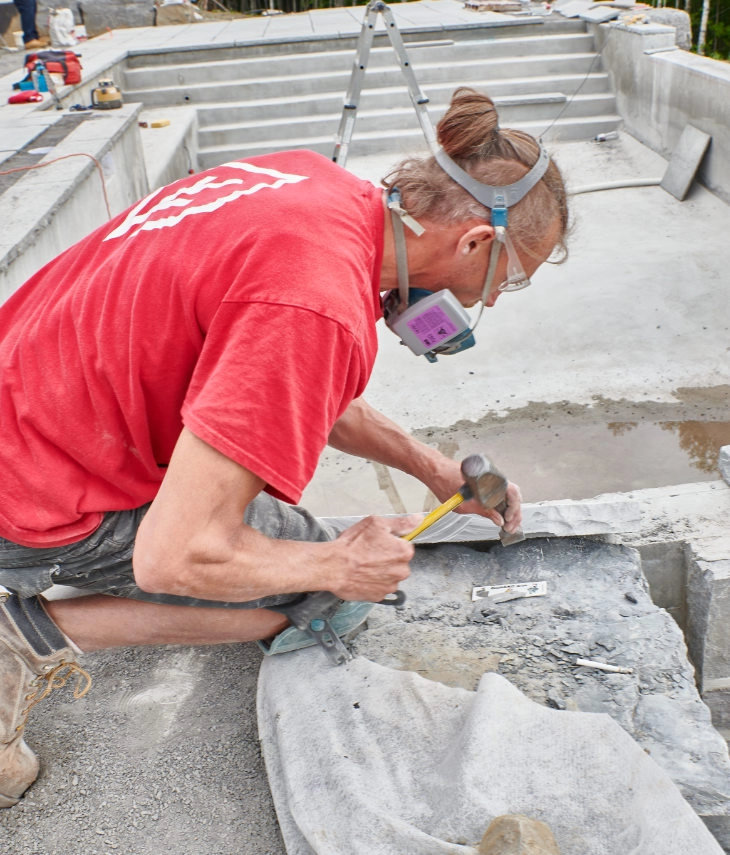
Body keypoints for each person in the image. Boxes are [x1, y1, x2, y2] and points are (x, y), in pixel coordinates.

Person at [0, 87, 568, 807]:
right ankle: (25, 635)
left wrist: (432, 467)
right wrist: (338, 562)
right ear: (474, 242)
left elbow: (291, 377)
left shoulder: (318, 189)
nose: (488, 300)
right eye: (505, 280)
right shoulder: (316, 300)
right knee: (317, 595)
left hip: (28, 409)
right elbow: (173, 555)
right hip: (30, 496)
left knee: (295, 546)